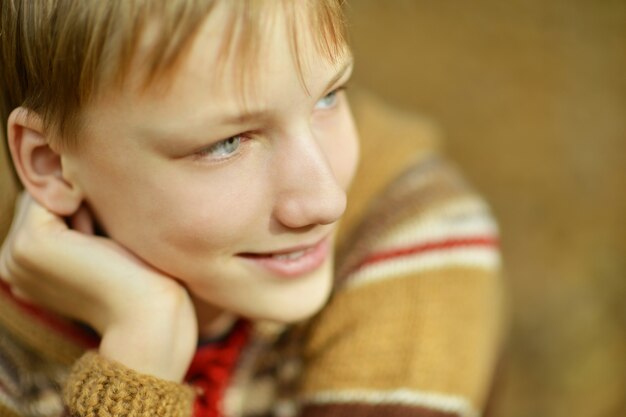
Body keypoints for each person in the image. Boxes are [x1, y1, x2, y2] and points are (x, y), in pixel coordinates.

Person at [0, 1, 506, 416]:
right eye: (226, 143)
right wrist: (140, 352)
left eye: (329, 98)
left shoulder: (410, 237)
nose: (326, 200)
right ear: (50, 163)